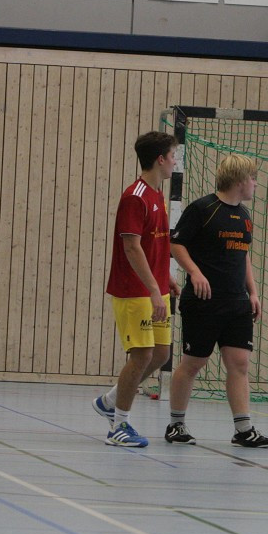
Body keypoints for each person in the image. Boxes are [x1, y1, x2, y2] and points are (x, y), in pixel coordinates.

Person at [165, 154, 268, 448]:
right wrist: (194, 272)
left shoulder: (244, 216)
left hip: (236, 303)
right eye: (253, 178)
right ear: (240, 180)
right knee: (194, 362)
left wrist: (252, 292)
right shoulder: (203, 209)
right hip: (204, 302)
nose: (255, 184)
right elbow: (176, 243)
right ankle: (176, 424)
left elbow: (243, 256)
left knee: (239, 363)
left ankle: (243, 429)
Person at [91, 131, 179, 447]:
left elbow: (154, 245)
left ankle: (110, 401)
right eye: (173, 155)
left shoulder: (157, 195)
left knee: (161, 354)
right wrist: (154, 288)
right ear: (160, 159)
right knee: (141, 355)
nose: (175, 161)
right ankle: (119, 426)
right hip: (135, 290)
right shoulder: (136, 196)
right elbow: (131, 247)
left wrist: (164, 278)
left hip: (155, 287)